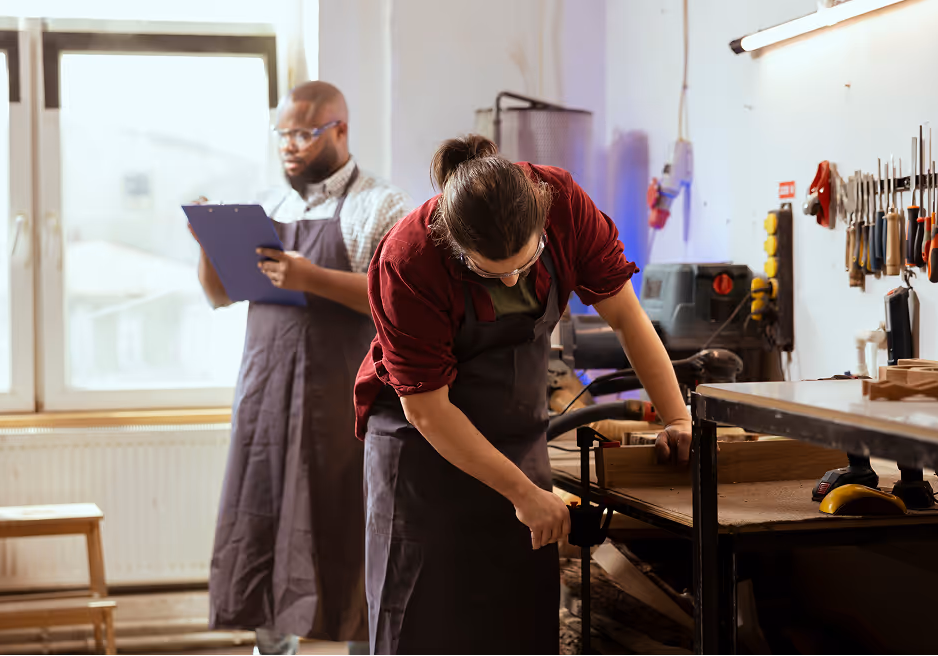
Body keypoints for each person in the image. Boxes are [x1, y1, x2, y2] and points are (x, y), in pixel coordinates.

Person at [353, 134, 693, 654]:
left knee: (518, 619)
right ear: (452, 240)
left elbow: (626, 317)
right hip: (422, 453)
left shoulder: (565, 206)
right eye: (492, 272)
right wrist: (524, 494)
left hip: (515, 434)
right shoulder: (408, 258)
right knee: (423, 620)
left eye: (525, 263)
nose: (513, 278)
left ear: (542, 222)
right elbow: (426, 409)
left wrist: (678, 418)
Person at [190, 81, 412, 656]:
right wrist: (207, 248)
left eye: (304, 133)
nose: (290, 145)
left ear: (339, 129)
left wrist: (309, 277)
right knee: (261, 522)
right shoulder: (269, 205)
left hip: (343, 400)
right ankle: (273, 649)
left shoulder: (381, 205)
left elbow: (393, 297)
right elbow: (221, 297)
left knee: (348, 527)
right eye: (283, 133)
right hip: (266, 398)